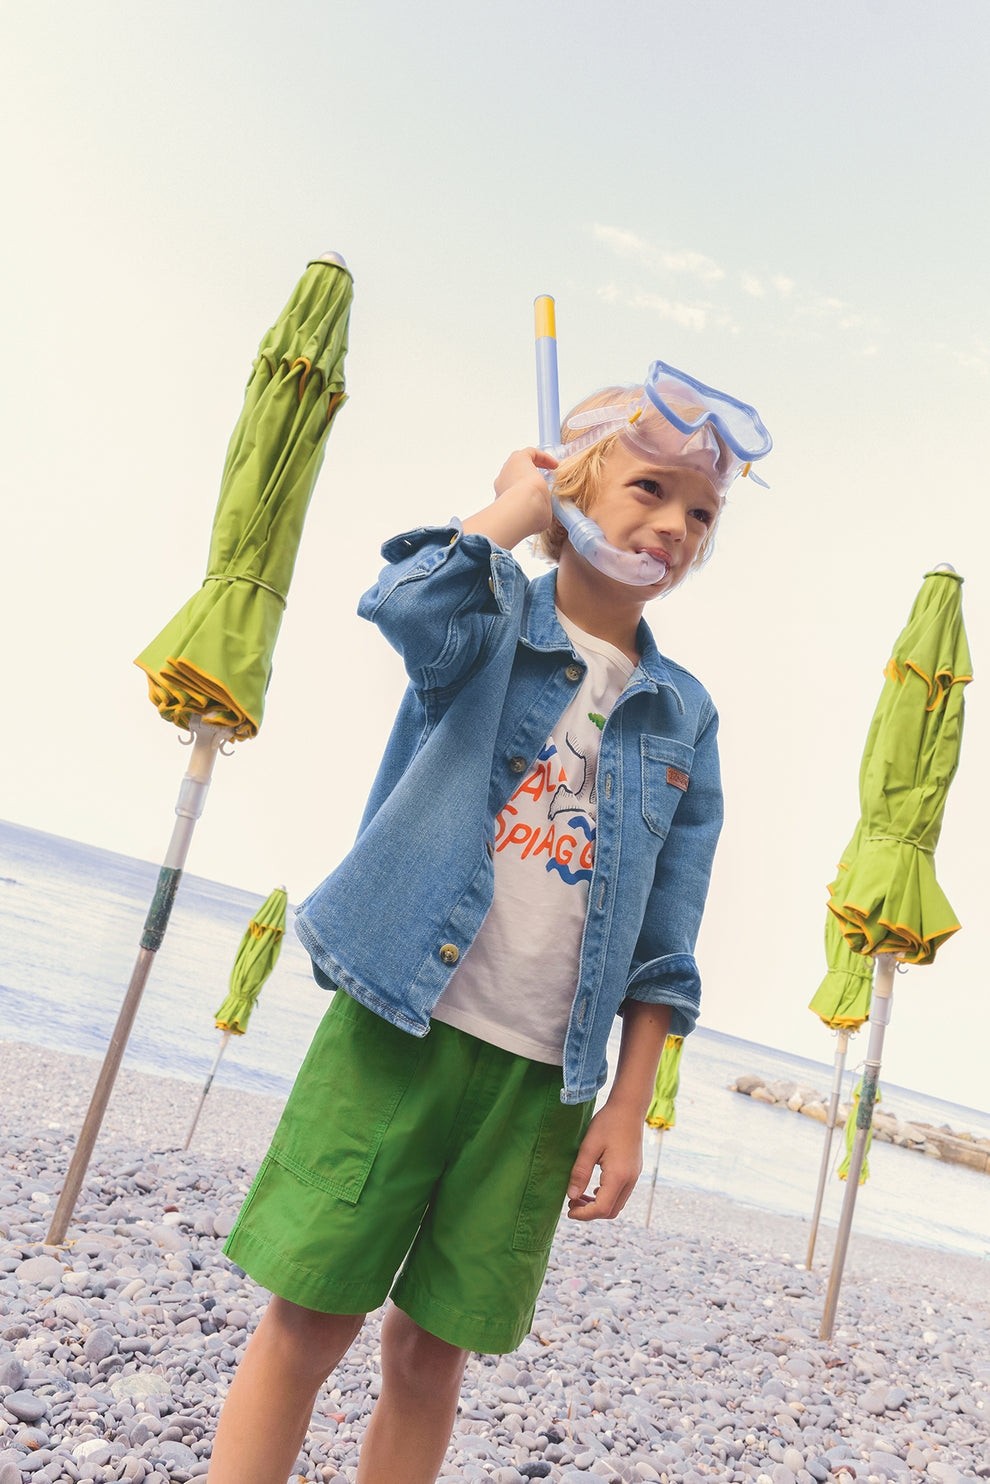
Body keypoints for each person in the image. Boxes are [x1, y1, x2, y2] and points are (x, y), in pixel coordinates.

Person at [208, 368, 769, 1484]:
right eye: (651, 488)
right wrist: (513, 509)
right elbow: (404, 598)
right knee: (309, 1321)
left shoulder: (686, 714)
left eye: (702, 512)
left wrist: (627, 1104)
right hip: (397, 1029)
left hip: (539, 1085)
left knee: (431, 1359)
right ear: (577, 485)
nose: (677, 525)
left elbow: (667, 937)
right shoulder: (491, 620)